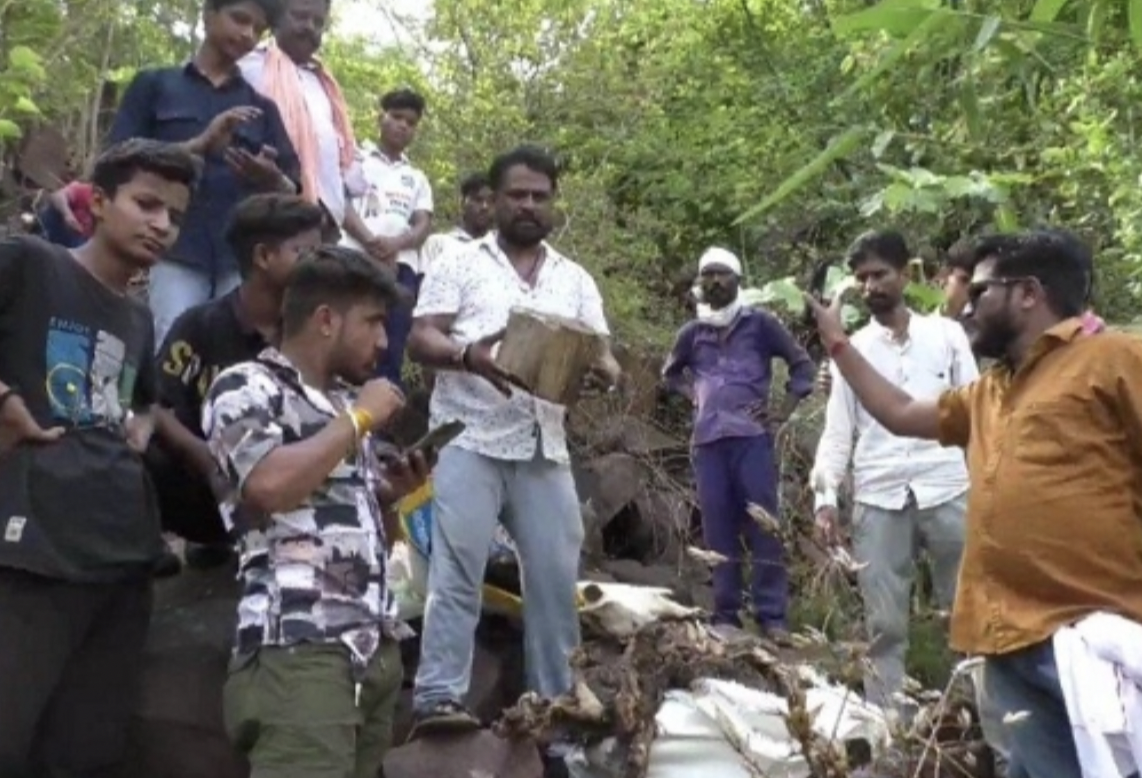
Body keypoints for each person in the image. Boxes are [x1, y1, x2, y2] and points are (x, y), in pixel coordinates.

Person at [803, 229, 1142, 778]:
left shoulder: (1115, 361)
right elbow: (900, 413)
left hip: (1095, 643)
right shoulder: (990, 391)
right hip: (1007, 641)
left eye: (979, 289)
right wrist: (839, 345)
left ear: (1028, 293)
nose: (964, 303)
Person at [407, 145, 621, 739]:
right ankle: (438, 697)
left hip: (542, 444)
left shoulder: (573, 278)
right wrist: (466, 357)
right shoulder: (458, 260)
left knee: (555, 577)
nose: (528, 204)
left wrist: (607, 373)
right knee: (457, 567)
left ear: (554, 202)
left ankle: (554, 705)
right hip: (470, 435)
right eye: (516, 194)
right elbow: (420, 336)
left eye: (539, 195)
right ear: (494, 200)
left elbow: (602, 351)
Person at [0, 139, 199, 777]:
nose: (161, 225)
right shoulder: (33, 264)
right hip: (33, 549)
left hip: (121, 557)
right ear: (100, 201)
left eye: (174, 215)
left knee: (84, 752)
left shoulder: (138, 320)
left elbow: (141, 403)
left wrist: (141, 425)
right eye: (145, 204)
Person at [203, 245, 430, 778]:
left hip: (373, 648)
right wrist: (359, 420)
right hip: (300, 649)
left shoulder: (343, 404)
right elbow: (265, 486)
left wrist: (386, 499)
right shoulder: (245, 385)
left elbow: (358, 536)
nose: (383, 342)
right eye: (374, 323)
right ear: (325, 319)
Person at [811, 230, 978, 709]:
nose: (870, 287)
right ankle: (889, 729)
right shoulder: (850, 350)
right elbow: (838, 430)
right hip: (879, 494)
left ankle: (971, 718)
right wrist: (825, 498)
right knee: (884, 625)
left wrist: (988, 485)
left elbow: (976, 416)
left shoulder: (946, 337)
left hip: (948, 487)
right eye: (861, 279)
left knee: (968, 613)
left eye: (880, 274)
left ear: (907, 274)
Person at [72, 0, 301, 347]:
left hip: (238, 259)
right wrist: (198, 144)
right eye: (239, 19)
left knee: (234, 359)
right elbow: (115, 160)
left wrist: (271, 179)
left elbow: (293, 189)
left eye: (257, 29)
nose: (247, 34)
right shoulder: (155, 85)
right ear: (208, 15)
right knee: (171, 350)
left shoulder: (262, 109)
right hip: (175, 249)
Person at [149, 193, 325, 568]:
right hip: (200, 486)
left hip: (280, 486)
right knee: (144, 449)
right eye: (304, 253)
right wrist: (204, 456)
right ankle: (155, 544)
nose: (317, 266)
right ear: (263, 257)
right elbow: (154, 404)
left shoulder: (311, 332)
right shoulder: (200, 325)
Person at [662, 246, 814, 641]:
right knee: (717, 527)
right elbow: (671, 373)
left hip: (752, 439)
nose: (714, 281)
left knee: (764, 524)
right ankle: (726, 614)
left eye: (722, 274)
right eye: (707, 274)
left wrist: (783, 409)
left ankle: (772, 617)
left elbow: (801, 364)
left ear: (738, 280)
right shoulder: (692, 333)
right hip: (708, 441)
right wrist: (695, 394)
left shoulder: (760, 324)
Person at [238, 0, 361, 242]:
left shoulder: (325, 84)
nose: (310, 27)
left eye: (318, 22)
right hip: (268, 217)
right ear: (276, 19)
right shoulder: (248, 66)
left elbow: (334, 167)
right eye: (301, 16)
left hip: (323, 223)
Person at [342, 89, 434, 389]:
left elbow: (422, 224)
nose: (403, 126)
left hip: (401, 269)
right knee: (347, 337)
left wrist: (395, 245)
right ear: (380, 117)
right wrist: (370, 242)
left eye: (411, 122)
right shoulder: (353, 158)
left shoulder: (416, 176)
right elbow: (338, 204)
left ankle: (377, 424)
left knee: (389, 346)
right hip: (351, 261)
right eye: (396, 117)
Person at [417, 171, 494, 279]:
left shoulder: (499, 253)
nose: (485, 207)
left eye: (491, 201)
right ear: (462, 203)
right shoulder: (438, 243)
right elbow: (423, 286)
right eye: (478, 200)